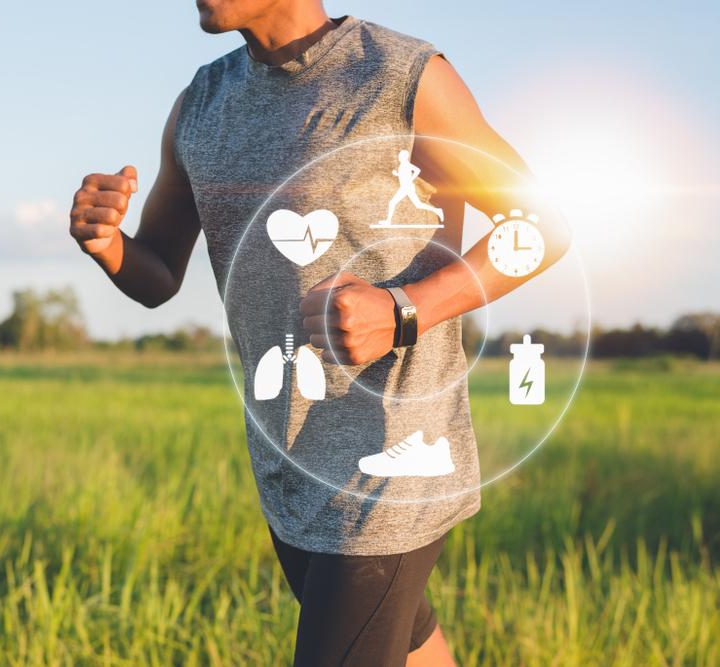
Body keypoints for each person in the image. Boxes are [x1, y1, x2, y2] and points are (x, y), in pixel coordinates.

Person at [68, 1, 570, 665]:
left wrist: (403, 310)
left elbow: (540, 229)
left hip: (393, 464)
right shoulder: (200, 106)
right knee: (410, 646)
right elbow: (158, 272)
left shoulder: (400, 76)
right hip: (288, 460)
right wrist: (108, 244)